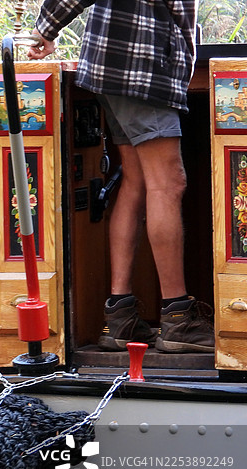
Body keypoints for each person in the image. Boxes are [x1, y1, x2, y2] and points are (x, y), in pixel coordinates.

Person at [27, 0, 214, 353]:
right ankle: (178, 319)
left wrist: (47, 28)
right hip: (143, 65)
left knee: (137, 179)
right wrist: (180, 70)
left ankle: (120, 317)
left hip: (108, 62)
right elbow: (183, 15)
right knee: (169, 182)